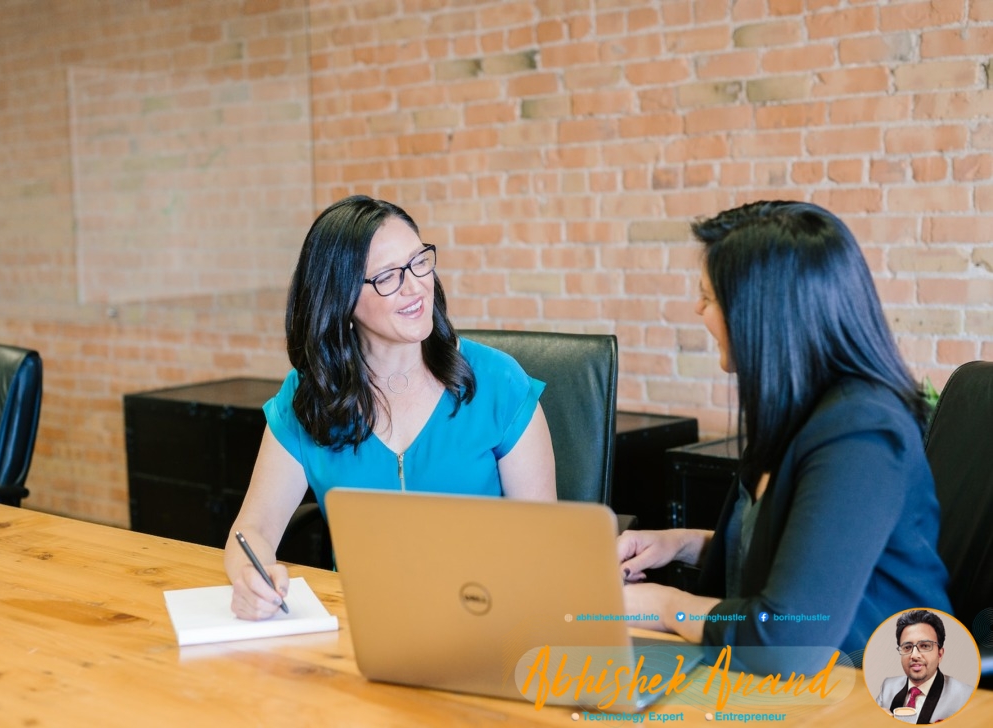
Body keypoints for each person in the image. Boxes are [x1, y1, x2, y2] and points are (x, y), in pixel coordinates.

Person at [617, 201, 952, 672]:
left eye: (708, 297)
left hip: (871, 689)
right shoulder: (796, 409)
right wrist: (682, 543)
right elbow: (795, 555)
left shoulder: (861, 434)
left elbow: (789, 636)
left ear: (761, 314)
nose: (697, 309)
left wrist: (666, 605)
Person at [225, 195, 556, 620]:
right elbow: (251, 530)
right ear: (341, 299)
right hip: (361, 625)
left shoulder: (498, 382)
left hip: (486, 617)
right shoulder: (309, 398)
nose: (416, 285)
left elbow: (544, 542)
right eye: (387, 277)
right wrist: (249, 579)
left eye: (420, 262)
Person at [876, 610, 974, 723]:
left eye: (924, 646)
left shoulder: (964, 695)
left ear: (940, 654)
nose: (914, 655)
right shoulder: (888, 686)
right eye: (907, 647)